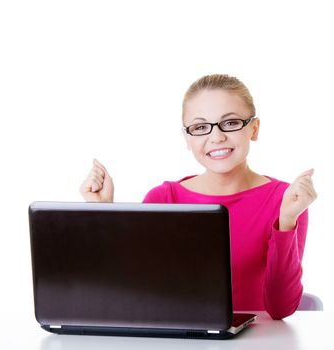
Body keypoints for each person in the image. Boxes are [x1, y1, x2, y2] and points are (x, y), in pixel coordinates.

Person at [79, 74, 318, 320]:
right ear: (187, 138)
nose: (216, 137)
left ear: (254, 129)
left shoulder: (286, 200)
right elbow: (130, 294)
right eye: (201, 127)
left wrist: (287, 221)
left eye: (231, 123)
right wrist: (102, 214)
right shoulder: (163, 199)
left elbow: (280, 309)